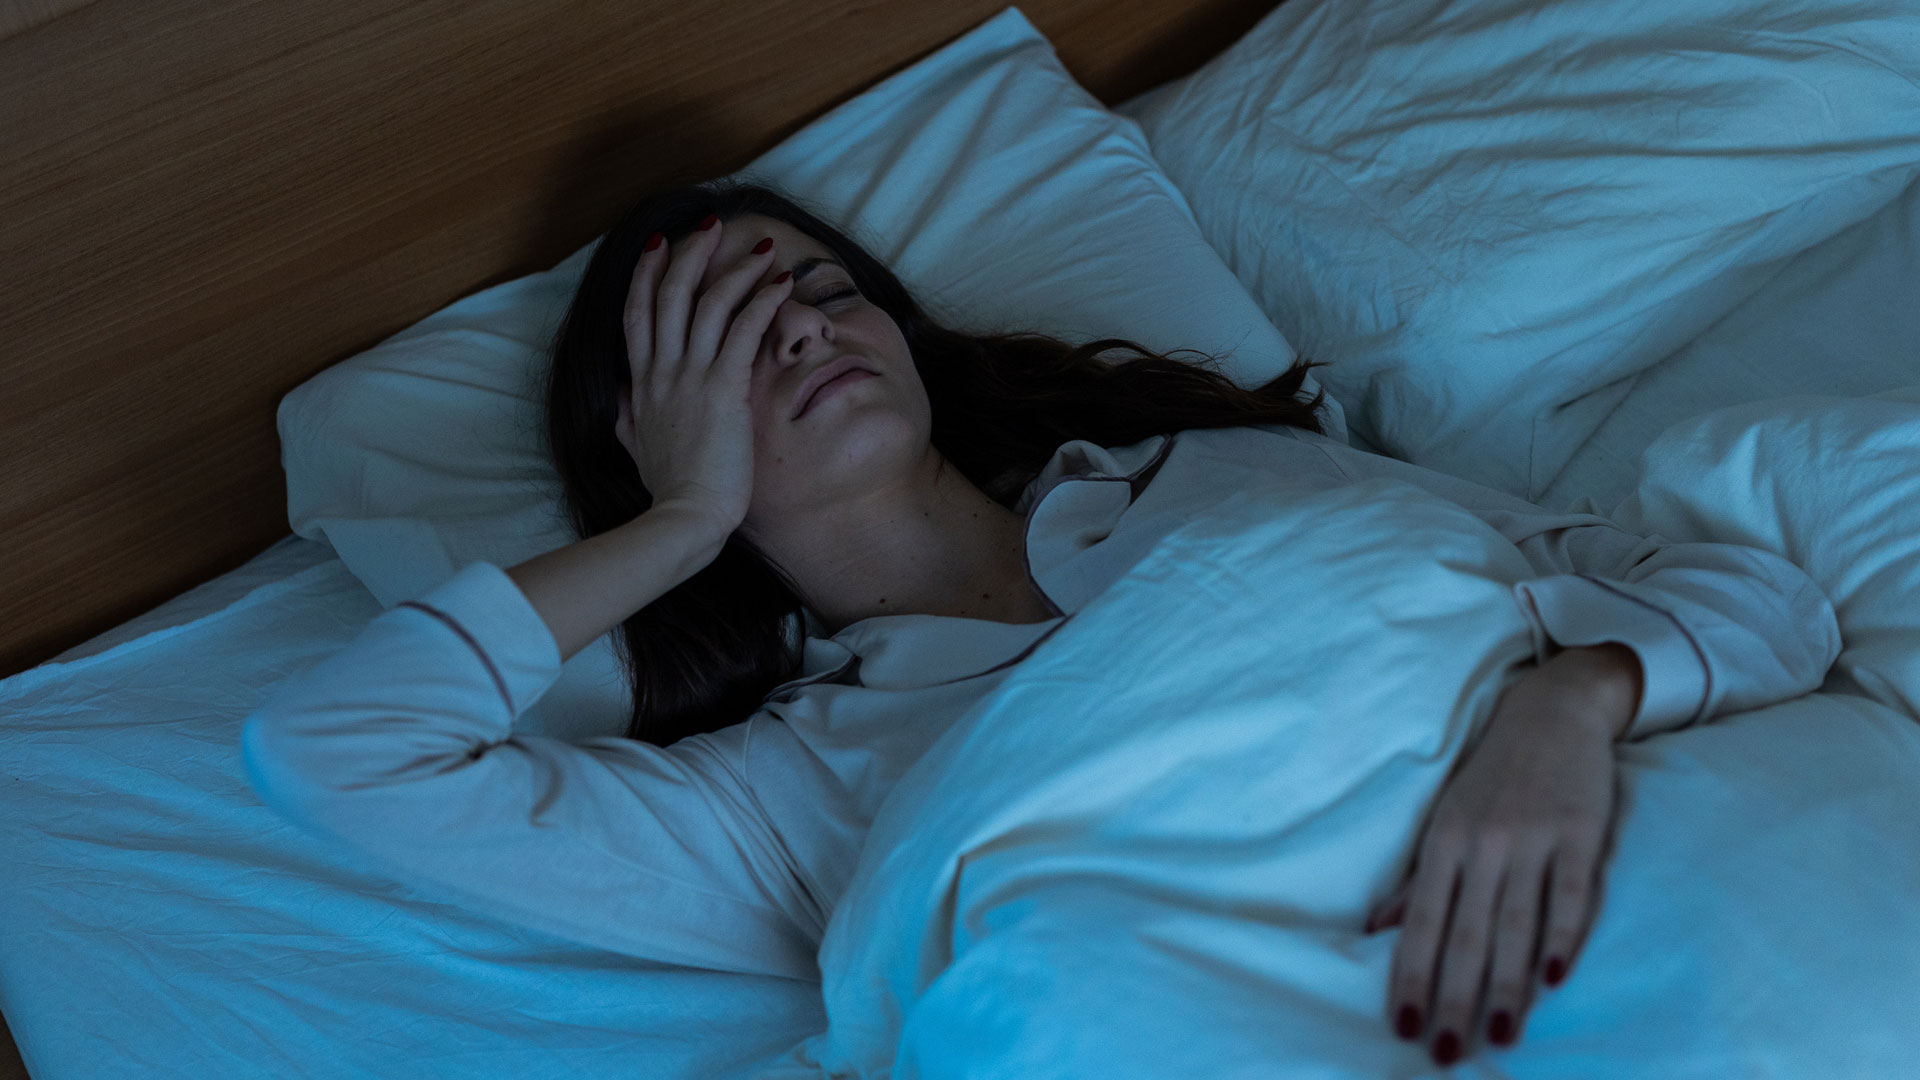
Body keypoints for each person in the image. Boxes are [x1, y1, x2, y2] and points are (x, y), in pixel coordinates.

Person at [241, 180, 1841, 1067]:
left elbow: (1747, 601)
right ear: (656, 436)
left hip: (1651, 892)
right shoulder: (777, 799)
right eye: (727, 337)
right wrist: (677, 526)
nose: (799, 328)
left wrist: (1570, 705)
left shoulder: (1217, 472)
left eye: (817, 286)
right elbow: (333, 753)